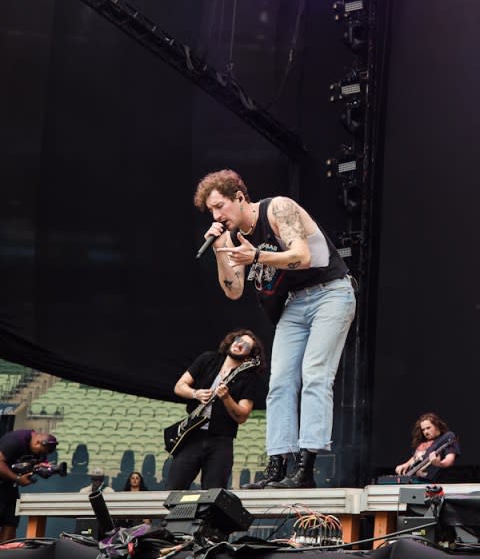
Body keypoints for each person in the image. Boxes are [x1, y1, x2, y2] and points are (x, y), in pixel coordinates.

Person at [194, 170, 356, 489]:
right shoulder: (233, 236)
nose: (216, 215)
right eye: (211, 211)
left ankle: (305, 469)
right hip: (294, 303)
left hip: (330, 293)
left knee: (315, 374)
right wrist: (218, 250)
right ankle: (277, 467)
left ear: (240, 197)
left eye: (220, 206)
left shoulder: (278, 208)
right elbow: (233, 289)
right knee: (279, 382)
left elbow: (303, 255)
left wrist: (256, 254)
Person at [166, 329, 264, 490]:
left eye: (246, 345)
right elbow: (179, 386)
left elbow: (242, 416)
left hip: (222, 441)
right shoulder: (208, 359)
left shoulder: (248, 378)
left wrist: (227, 398)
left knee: (214, 494)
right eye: (239, 339)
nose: (240, 344)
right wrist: (195, 393)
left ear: (249, 356)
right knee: (173, 488)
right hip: (193, 434)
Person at [0, 430, 57, 541]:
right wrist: (17, 478)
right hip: (4, 483)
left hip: (9, 486)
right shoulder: (15, 440)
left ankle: (5, 552)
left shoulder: (37, 447)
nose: (40, 455)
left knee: (10, 521)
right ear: (37, 443)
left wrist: (42, 467)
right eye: (41, 453)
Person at [394, 413, 460, 482]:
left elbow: (450, 460)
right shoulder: (423, 442)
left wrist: (439, 463)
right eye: (423, 430)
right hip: (415, 480)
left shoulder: (447, 437)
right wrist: (406, 464)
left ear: (437, 425)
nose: (425, 432)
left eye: (428, 428)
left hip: (432, 483)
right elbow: (415, 457)